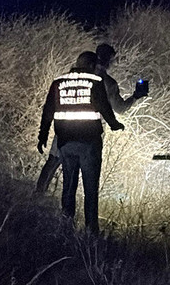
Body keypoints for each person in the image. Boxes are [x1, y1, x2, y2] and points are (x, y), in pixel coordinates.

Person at [36, 44, 148, 193]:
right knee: (88, 175)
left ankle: (39, 195)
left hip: (64, 128)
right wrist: (135, 97)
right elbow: (119, 108)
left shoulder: (72, 77)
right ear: (109, 60)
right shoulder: (107, 82)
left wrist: (43, 133)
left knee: (54, 162)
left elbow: (50, 106)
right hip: (90, 134)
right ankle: (81, 211)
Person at [38, 51, 124, 235]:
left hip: (66, 142)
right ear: (93, 66)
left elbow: (48, 110)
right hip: (89, 143)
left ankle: (66, 227)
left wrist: (42, 136)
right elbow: (104, 107)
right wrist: (115, 125)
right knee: (90, 189)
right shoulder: (95, 82)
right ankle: (91, 231)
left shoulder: (58, 82)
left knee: (69, 186)